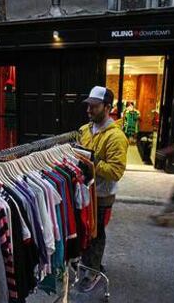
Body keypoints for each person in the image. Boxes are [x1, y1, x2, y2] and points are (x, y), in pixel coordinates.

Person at [77, 86, 128, 292]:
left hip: (102, 195)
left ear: (107, 107)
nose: (89, 110)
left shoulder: (116, 137)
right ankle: (89, 262)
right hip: (85, 192)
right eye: (88, 106)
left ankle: (94, 271)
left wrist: (91, 163)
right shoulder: (84, 130)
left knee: (97, 233)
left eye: (94, 106)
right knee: (86, 230)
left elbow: (116, 171)